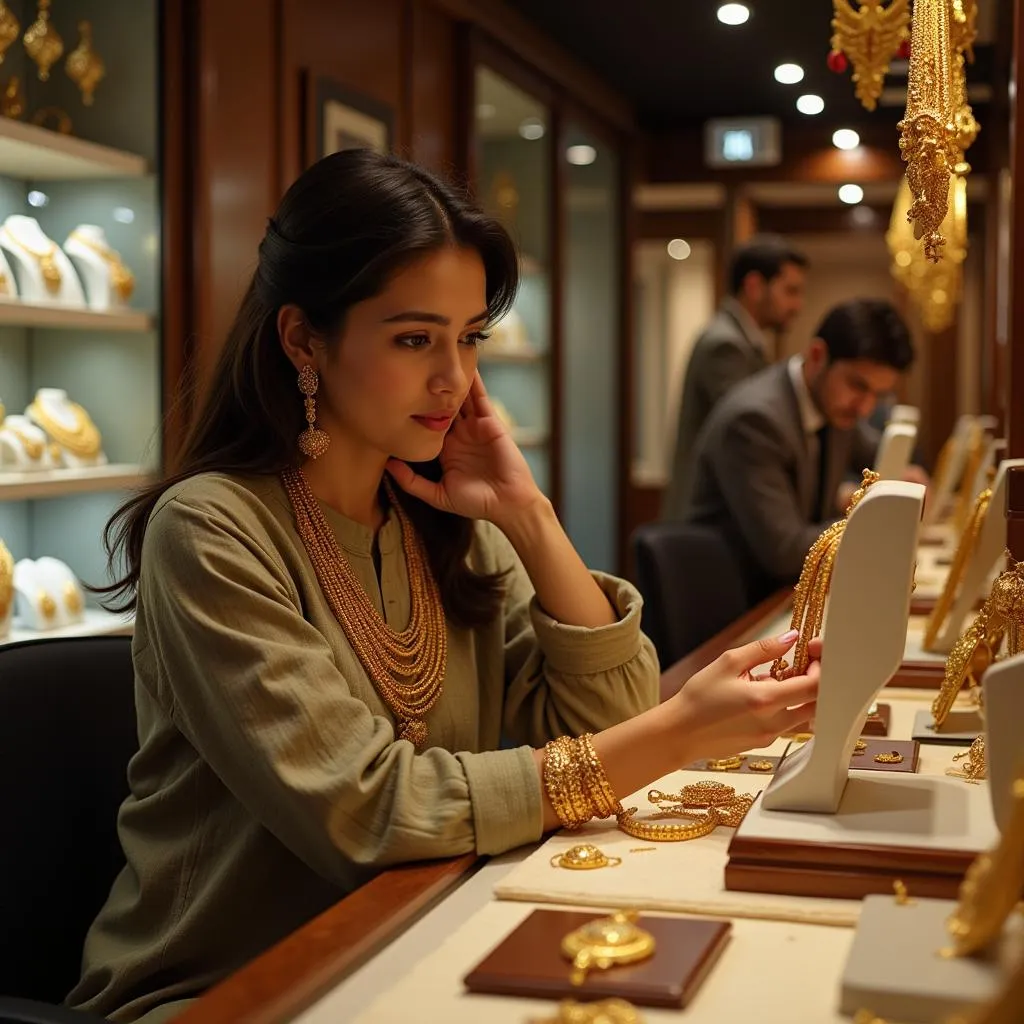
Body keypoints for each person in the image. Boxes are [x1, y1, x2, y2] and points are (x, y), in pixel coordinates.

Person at [67, 150, 818, 1023]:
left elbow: (612, 729)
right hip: (229, 987)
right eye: (415, 339)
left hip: (421, 931)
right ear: (303, 337)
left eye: (469, 339)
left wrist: (531, 517)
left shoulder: (442, 521)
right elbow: (367, 813)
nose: (453, 379)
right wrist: (681, 728)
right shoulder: (212, 529)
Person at [681, 298, 917, 609]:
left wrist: (906, 477)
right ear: (818, 355)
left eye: (879, 394)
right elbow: (786, 550)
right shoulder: (755, 419)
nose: (865, 407)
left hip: (789, 595)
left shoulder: (834, 405)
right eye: (858, 386)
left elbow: (876, 453)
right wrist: (872, 525)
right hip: (732, 605)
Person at [661, 235, 808, 519]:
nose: (798, 305)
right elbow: (752, 433)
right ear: (754, 286)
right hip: (703, 519)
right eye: (790, 291)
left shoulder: (741, 340)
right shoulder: (725, 344)